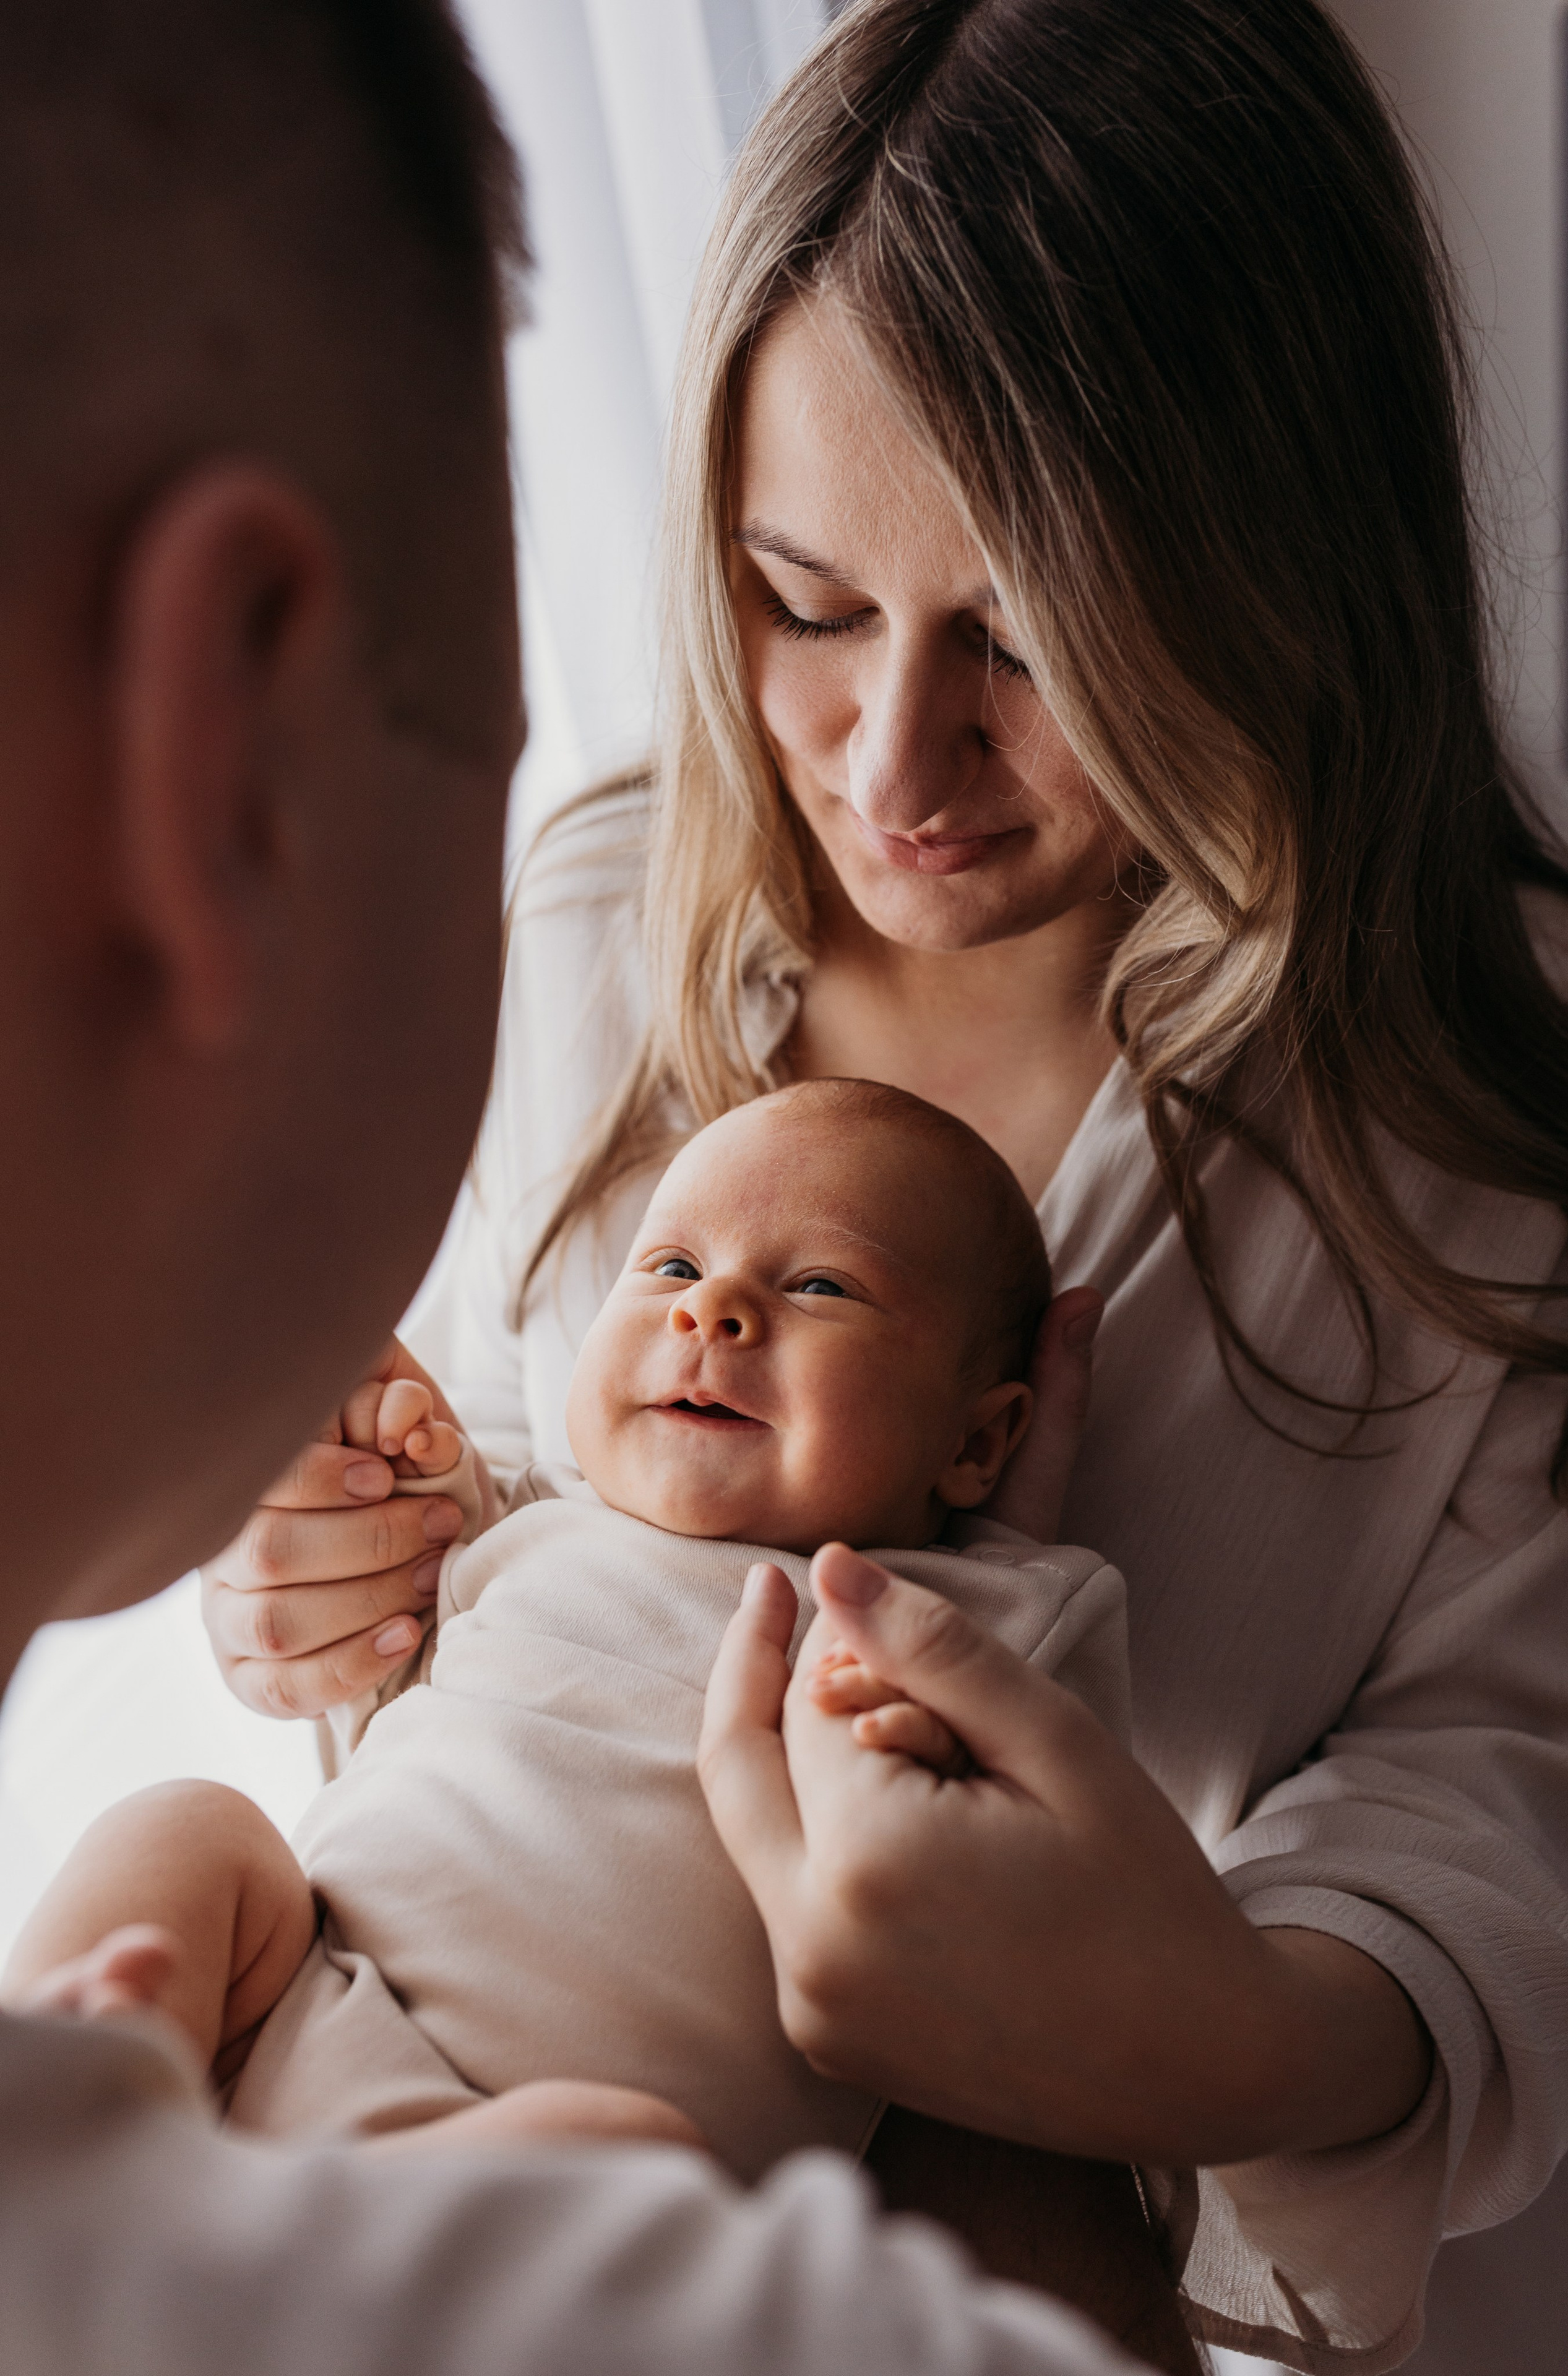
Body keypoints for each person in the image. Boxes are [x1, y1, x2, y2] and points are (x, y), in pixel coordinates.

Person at [204, 1, 1568, 2369]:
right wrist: (333, 1573)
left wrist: (1203, 2033)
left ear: (1276, 574)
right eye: (804, 601)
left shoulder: (1490, 1093)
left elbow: (1505, 1814)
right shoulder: (602, 911)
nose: (886, 755)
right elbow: (533, 1550)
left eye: (1035, 646)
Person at [0, 2, 1162, 2372]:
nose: (871, 761)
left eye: (808, 1285)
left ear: (993, 1416)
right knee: (211, 1861)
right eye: (799, 610)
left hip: (424, 2092)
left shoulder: (984, 1616)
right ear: (222, 747)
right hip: (342, 2007)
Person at [7, 1082, 1129, 2182]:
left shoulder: (983, 1615)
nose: (711, 1309)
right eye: (673, 1268)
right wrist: (395, 1464)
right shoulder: (541, 1516)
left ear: (981, 1443)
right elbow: (412, 1595)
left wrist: (999, 1550)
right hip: (298, 1999)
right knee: (186, 1828)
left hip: (572, 2175)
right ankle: (62, 2093)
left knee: (635, 2152)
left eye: (823, 1286)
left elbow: (1073, 1852)